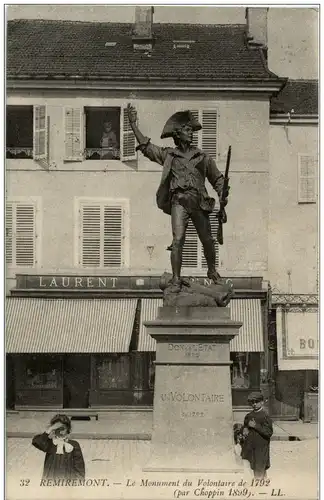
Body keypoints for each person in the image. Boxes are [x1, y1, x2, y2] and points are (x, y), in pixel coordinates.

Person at [126, 104, 229, 289]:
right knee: (177, 240)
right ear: (178, 134)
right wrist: (133, 125)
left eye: (191, 130)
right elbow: (146, 147)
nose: (191, 133)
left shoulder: (202, 157)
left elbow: (218, 179)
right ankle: (175, 278)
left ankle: (212, 271)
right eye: (187, 130)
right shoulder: (168, 155)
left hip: (199, 202)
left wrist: (223, 194)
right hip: (178, 202)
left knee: (207, 240)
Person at [32, 414, 85, 481]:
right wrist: (50, 429)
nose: (60, 431)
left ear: (68, 429)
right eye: (57, 429)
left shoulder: (74, 444)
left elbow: (79, 468)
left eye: (63, 429)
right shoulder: (50, 443)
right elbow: (36, 442)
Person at [240, 392, 273, 479]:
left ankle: (259, 489)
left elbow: (269, 432)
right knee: (254, 467)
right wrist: (244, 429)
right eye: (252, 402)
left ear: (262, 402)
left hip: (261, 447)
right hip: (250, 447)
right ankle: (263, 485)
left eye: (256, 402)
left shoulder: (265, 416)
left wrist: (256, 426)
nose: (254, 404)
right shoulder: (249, 416)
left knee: (259, 468)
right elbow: (245, 426)